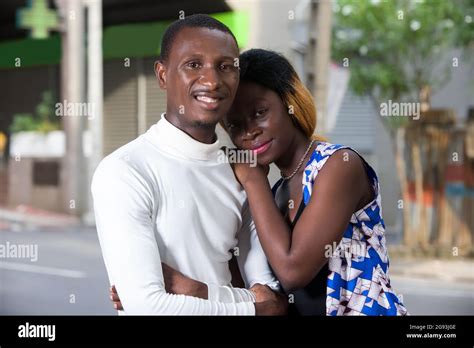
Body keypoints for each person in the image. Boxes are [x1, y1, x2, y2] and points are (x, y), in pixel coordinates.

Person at [92, 15, 285, 315]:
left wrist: (197, 291)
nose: (212, 81)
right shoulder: (125, 170)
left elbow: (269, 291)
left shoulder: (242, 171)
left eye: (225, 67)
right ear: (162, 75)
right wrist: (253, 309)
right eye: (193, 65)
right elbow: (149, 307)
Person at [223, 49, 408, 315]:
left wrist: (252, 178)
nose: (249, 132)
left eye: (260, 112)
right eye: (235, 126)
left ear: (290, 102)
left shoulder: (339, 166)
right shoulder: (276, 192)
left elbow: (292, 271)